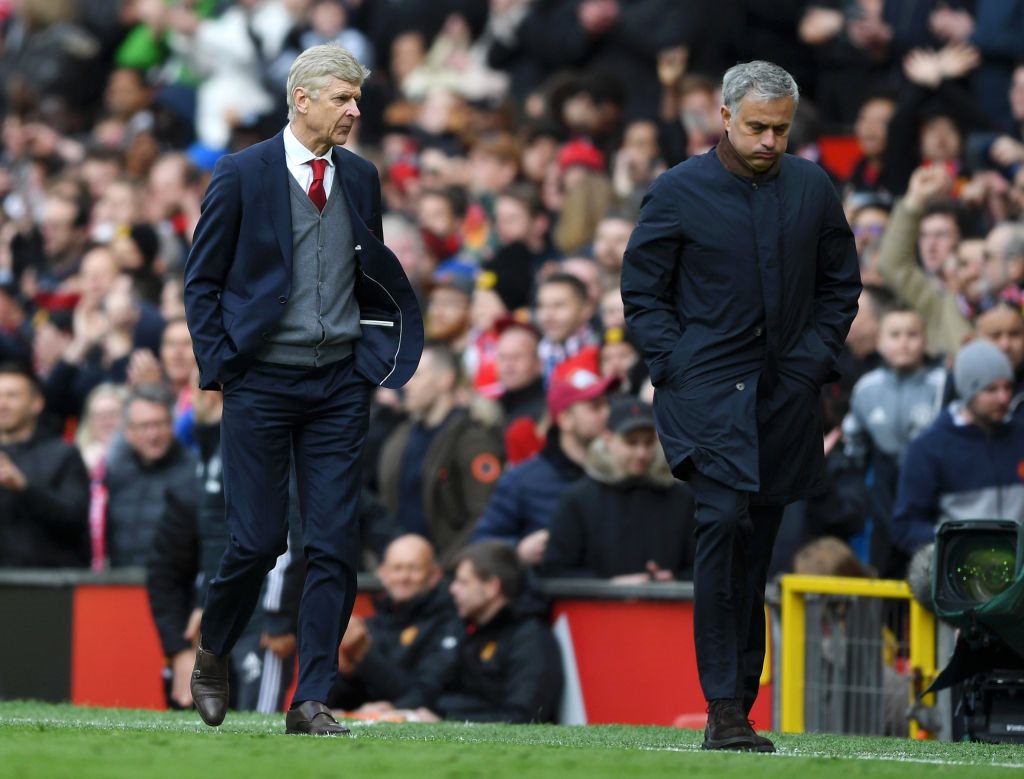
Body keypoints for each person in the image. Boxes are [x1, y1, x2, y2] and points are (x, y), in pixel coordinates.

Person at [183, 44, 423, 736]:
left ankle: (311, 697)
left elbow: (371, 275)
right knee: (258, 541)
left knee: (334, 544)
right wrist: (223, 366)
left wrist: (370, 358)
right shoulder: (240, 173)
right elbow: (202, 280)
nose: (355, 111)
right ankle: (213, 648)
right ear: (302, 99)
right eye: (343, 98)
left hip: (339, 382)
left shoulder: (362, 177)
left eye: (357, 99)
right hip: (260, 379)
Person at [621, 61, 861, 752]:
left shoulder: (813, 188)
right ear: (724, 116)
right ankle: (724, 706)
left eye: (781, 130)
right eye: (757, 127)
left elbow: (840, 286)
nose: (769, 141)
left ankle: (734, 708)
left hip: (784, 397)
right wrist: (676, 364)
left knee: (755, 549)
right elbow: (643, 293)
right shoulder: (677, 190)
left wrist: (810, 363)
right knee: (723, 521)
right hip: (705, 394)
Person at [539, 397, 696, 581]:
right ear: (608, 439)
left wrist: (673, 580)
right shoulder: (577, 499)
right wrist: (610, 587)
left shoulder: (681, 498)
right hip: (597, 601)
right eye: (631, 442)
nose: (641, 453)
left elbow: (701, 567)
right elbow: (556, 571)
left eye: (648, 443)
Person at [892, 339, 1024, 557]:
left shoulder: (1020, 436)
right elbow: (906, 527)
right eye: (991, 389)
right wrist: (958, 544)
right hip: (962, 571)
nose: (1003, 398)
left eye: (1008, 387)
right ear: (968, 391)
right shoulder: (928, 448)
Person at [470, 367, 615, 566]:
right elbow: (482, 542)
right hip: (551, 584)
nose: (607, 413)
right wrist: (518, 550)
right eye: (595, 407)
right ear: (565, 419)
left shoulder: (619, 473)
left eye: (607, 404)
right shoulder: (522, 481)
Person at [376, 342, 504, 564]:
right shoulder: (400, 437)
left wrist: (444, 567)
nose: (406, 384)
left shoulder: (473, 438)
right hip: (401, 570)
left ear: (446, 379)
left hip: (447, 572)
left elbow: (484, 514)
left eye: (416, 375)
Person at [417, 540, 563, 724]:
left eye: (463, 582)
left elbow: (523, 717)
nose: (452, 589)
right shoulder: (465, 628)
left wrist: (447, 724)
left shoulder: (530, 639)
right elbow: (431, 686)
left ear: (492, 587)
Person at [327, 534, 461, 713]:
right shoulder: (372, 624)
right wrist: (346, 673)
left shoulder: (450, 623)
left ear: (434, 575)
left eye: (414, 569)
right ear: (382, 574)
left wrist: (364, 656)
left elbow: (428, 694)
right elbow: (337, 701)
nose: (403, 577)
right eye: (397, 568)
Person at [0, 362, 90, 568]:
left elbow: (75, 518)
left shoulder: (63, 454)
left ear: (37, 403)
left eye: (12, 396)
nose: (2, 404)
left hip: (48, 580)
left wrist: (24, 487)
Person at [103, 383, 197, 568]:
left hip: (176, 581)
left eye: (159, 424)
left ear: (172, 425)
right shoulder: (115, 472)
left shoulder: (194, 470)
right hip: (120, 580)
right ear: (128, 432)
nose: (153, 435)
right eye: (144, 426)